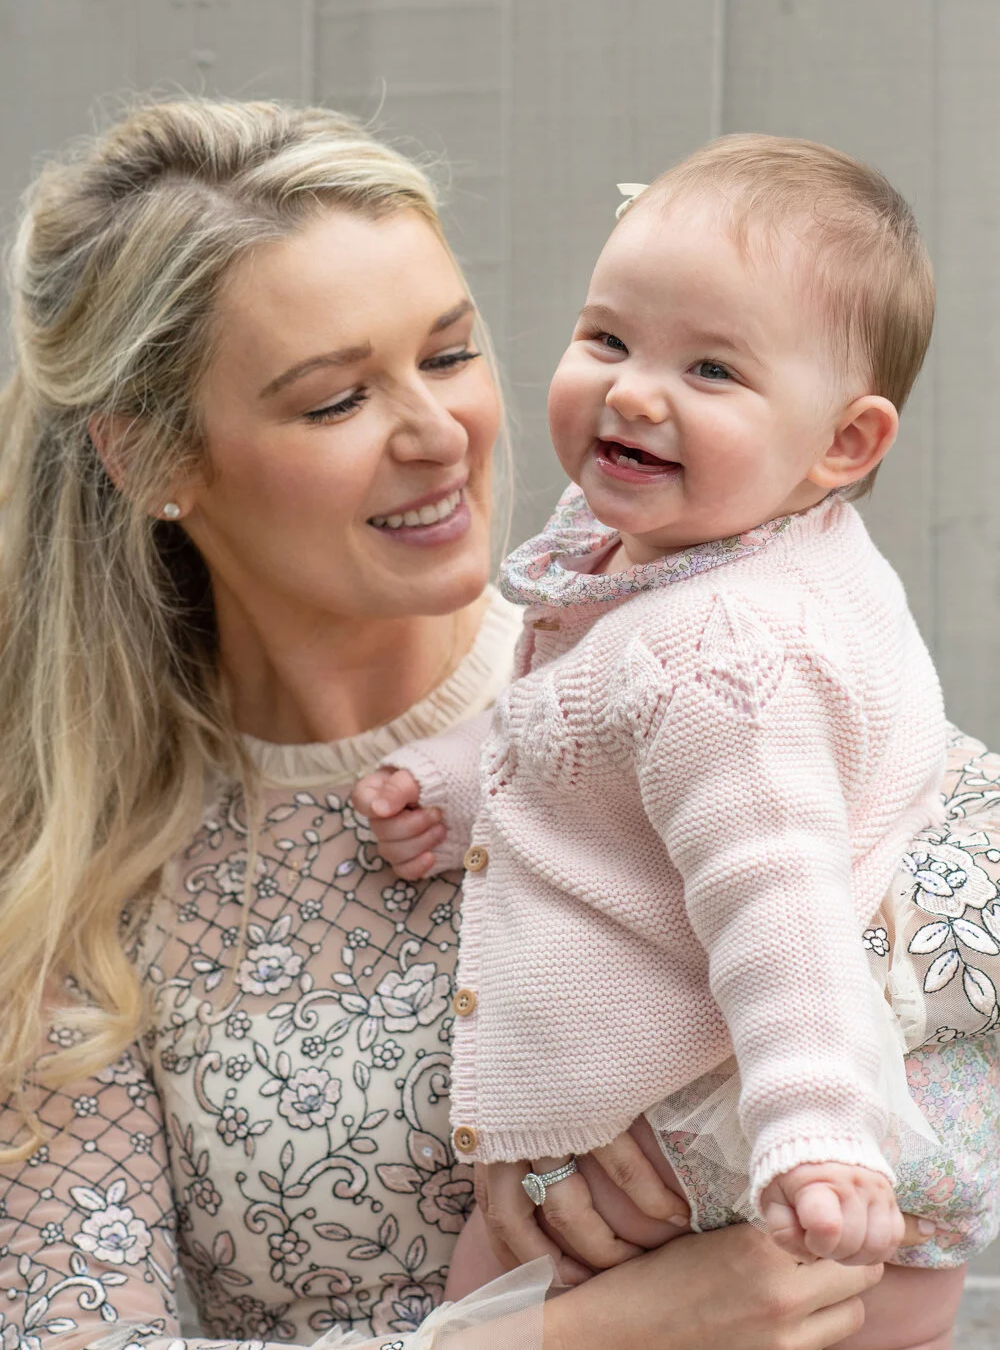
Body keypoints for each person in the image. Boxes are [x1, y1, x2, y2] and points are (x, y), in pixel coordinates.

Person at [0, 99, 909, 1350]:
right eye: (333, 402)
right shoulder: (73, 896)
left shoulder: (713, 670)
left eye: (448, 354)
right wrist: (579, 1337)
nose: (439, 437)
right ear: (155, 456)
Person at [357, 137, 1000, 1350]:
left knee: (490, 1279)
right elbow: (587, 724)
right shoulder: (705, 551)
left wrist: (811, 1124)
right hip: (779, 1125)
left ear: (844, 445)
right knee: (885, 1303)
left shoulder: (724, 654)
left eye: (711, 368)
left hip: (704, 1117)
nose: (634, 393)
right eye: (607, 339)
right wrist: (452, 789)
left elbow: (778, 900)